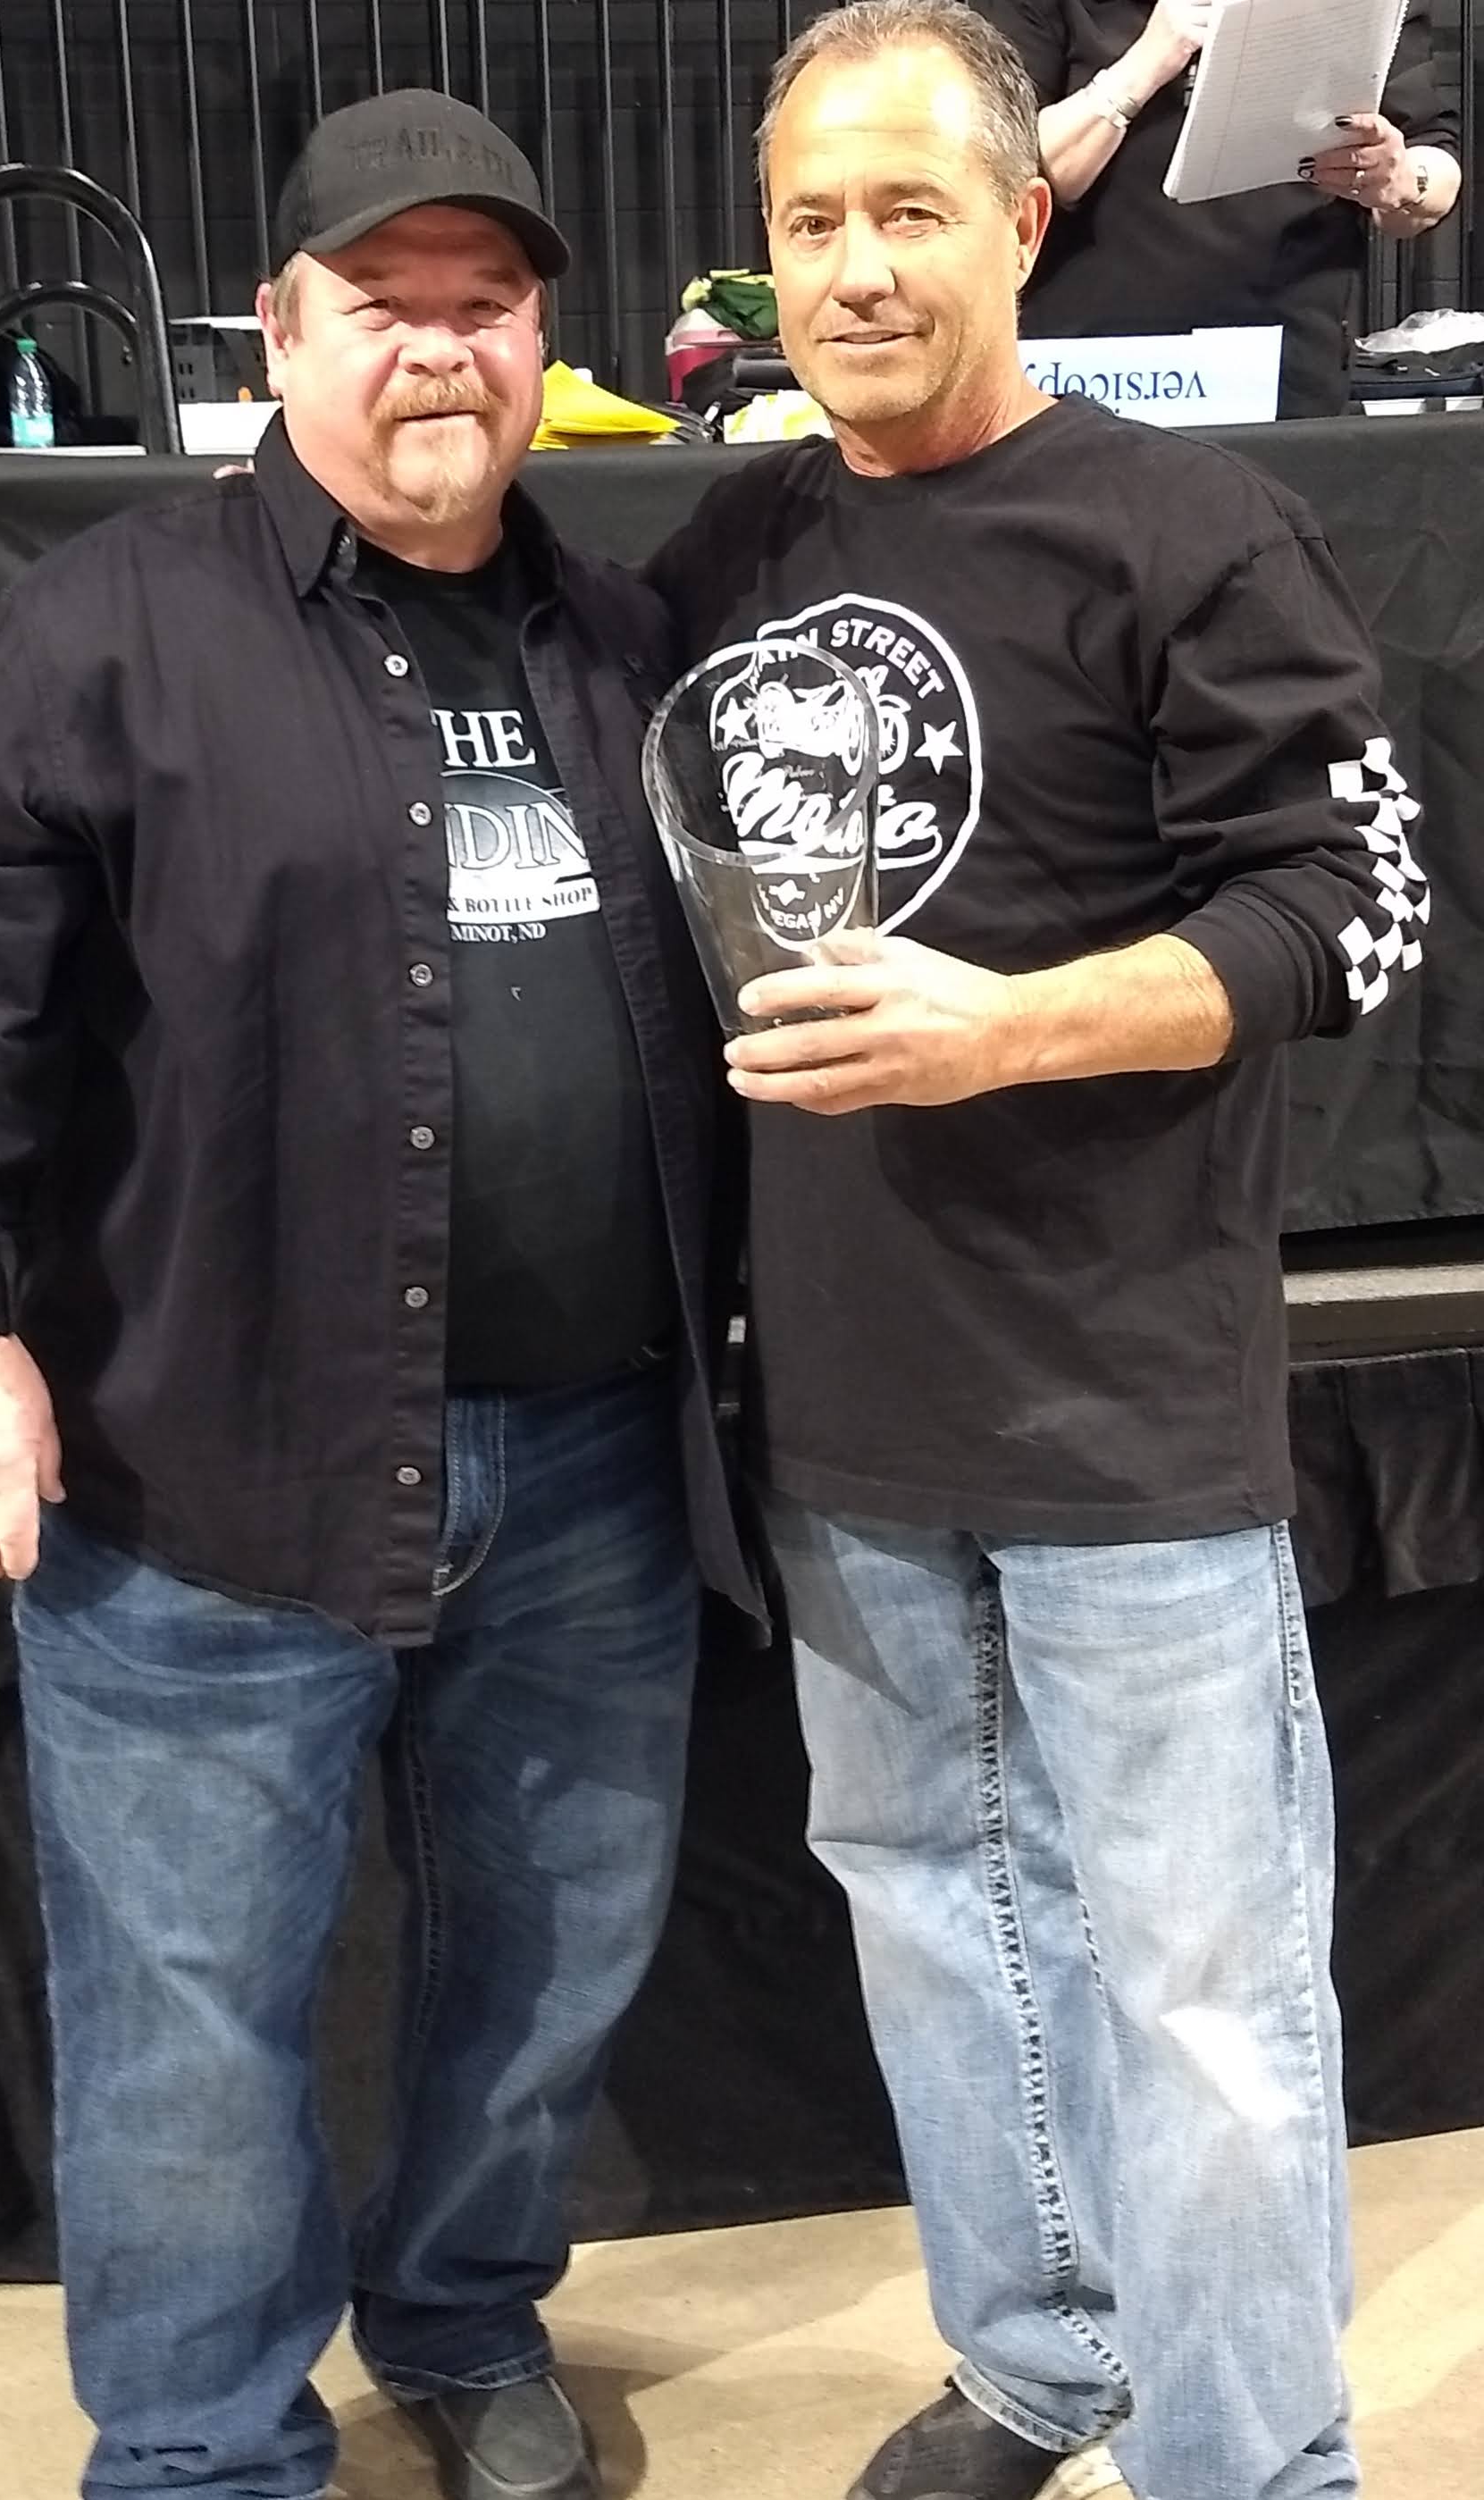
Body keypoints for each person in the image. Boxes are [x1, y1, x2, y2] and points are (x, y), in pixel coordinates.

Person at [0, 88, 758, 2500]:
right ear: (280, 330)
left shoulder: (625, 634)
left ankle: (460, 2312)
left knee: (548, 1957)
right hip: (207, 1451)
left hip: (592, 1460)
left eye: (487, 304)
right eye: (383, 303)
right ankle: (201, 2443)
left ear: (542, 340)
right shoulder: (109, 628)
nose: (438, 348)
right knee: (188, 2008)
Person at [646, 5, 1427, 2498]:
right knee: (929, 1904)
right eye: (810, 222)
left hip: (1125, 1402)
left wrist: (1012, 1028)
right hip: (845, 1405)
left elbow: (1356, 904)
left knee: (1197, 1988)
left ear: (1019, 218)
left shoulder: (1185, 526)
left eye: (907, 210)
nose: (857, 268)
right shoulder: (728, 554)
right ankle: (1041, 2352)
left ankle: (1249, 2456)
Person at [973, 0, 1462, 416]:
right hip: (1089, 367)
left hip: (1282, 367)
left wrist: (1400, 180)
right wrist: (1144, 65)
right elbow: (1002, 169)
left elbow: (1435, 160)